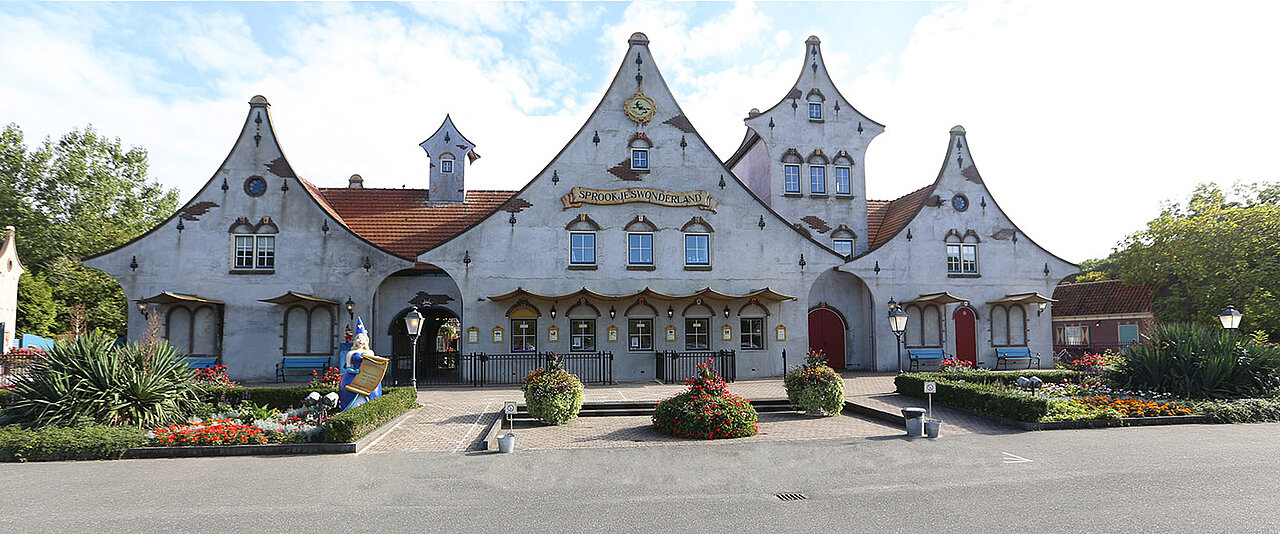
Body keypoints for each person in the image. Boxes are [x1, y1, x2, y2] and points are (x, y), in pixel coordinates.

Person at [337, 318, 382, 411]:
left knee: (373, 390)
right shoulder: (351, 353)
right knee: (348, 390)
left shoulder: (370, 352)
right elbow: (348, 367)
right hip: (353, 376)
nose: (360, 341)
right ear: (355, 340)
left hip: (368, 376)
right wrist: (353, 371)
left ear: (366, 341)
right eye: (358, 339)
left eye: (362, 339)